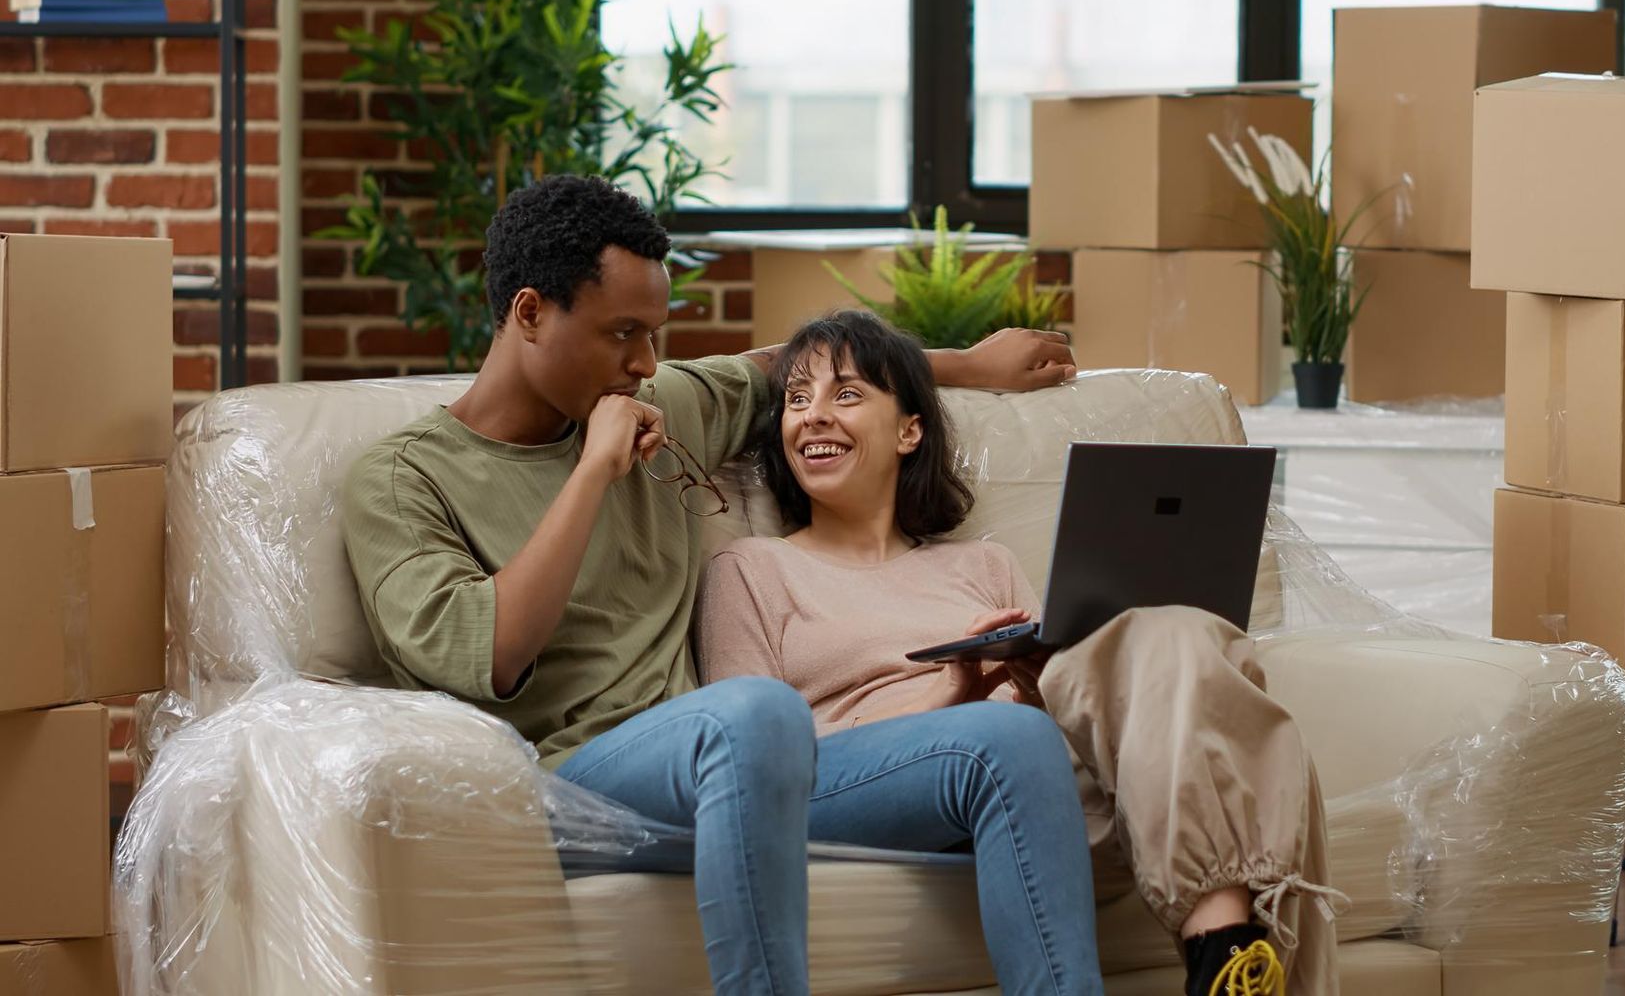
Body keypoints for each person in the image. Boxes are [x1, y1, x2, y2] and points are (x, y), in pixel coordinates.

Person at [341, 176, 1106, 994]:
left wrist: (968, 364)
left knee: (1015, 745)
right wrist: (594, 469)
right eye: (623, 334)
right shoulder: (400, 479)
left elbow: (775, 368)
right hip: (570, 792)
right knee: (755, 711)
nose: (646, 362)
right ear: (530, 314)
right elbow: (493, 652)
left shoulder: (657, 400)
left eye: (656, 334)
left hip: (744, 781)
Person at [698, 311, 1347, 996]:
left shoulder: (983, 565)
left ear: (909, 430)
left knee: (1183, 636)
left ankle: (1224, 952)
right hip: (865, 786)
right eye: (797, 399)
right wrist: (944, 704)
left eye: (847, 394)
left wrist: (1036, 687)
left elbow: (1041, 733)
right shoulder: (750, 568)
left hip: (1028, 787)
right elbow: (749, 759)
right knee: (1007, 732)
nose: (813, 417)